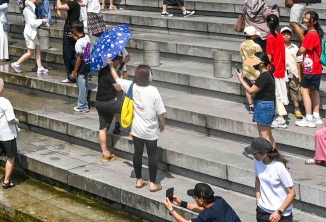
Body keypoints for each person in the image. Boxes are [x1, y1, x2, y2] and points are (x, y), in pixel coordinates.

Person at [112, 63, 166, 192]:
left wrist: (110, 66)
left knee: (138, 153)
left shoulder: (132, 86)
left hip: (136, 130)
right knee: (152, 156)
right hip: (150, 131)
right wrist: (162, 123)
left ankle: (139, 180)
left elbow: (117, 79)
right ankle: (153, 184)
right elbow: (161, 112)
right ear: (149, 76)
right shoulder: (153, 91)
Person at [243, 136, 296, 222]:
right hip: (262, 211)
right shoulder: (257, 161)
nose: (253, 156)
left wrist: (279, 211)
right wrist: (258, 199)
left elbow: (292, 193)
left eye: (254, 154)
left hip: (281, 213)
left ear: (264, 154)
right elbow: (258, 180)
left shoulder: (279, 167)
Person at [237, 53, 278, 149]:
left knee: (264, 136)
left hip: (263, 106)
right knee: (268, 135)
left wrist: (240, 79)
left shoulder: (264, 76)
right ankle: (273, 155)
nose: (253, 65)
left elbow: (251, 91)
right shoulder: (268, 74)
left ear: (262, 63)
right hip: (267, 105)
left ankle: (269, 158)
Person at [95, 54, 127, 163]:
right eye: (118, 60)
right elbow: (118, 88)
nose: (119, 62)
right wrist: (121, 79)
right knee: (130, 108)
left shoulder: (102, 70)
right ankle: (133, 132)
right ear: (113, 61)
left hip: (99, 102)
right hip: (109, 103)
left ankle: (105, 153)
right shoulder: (110, 72)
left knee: (103, 128)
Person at [163, 182, 241, 222]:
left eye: (194, 197)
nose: (194, 199)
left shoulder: (206, 215)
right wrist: (181, 203)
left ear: (201, 200)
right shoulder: (219, 200)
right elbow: (202, 208)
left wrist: (171, 210)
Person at [263, 13, 289, 128]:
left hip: (274, 69)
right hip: (281, 68)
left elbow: (269, 56)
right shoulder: (279, 35)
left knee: (277, 94)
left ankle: (281, 117)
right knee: (280, 92)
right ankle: (279, 116)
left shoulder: (269, 38)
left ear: (267, 24)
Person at [11, 0, 47, 75]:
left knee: (37, 48)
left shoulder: (29, 8)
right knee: (30, 52)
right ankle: (17, 64)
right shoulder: (28, 10)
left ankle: (40, 67)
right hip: (30, 33)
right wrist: (42, 20)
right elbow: (32, 23)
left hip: (32, 33)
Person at [56, 0, 82, 82]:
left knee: (69, 54)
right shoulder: (75, 2)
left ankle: (73, 75)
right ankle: (72, 75)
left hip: (70, 32)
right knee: (69, 54)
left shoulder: (73, 3)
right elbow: (63, 15)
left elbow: (59, 6)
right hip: (70, 29)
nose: (64, 0)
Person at [279, 28, 303, 121]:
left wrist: (299, 75)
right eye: (283, 33)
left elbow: (299, 61)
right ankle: (282, 109)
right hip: (282, 71)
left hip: (293, 71)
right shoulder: (278, 46)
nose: (286, 35)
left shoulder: (295, 47)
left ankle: (297, 108)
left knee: (295, 89)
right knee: (282, 90)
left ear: (291, 36)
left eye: (288, 34)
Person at [239, 25, 263, 113]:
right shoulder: (256, 46)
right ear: (253, 35)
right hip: (255, 70)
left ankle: (251, 106)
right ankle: (258, 104)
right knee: (257, 88)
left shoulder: (241, 45)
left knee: (248, 88)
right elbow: (259, 58)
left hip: (245, 69)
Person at [70, 21, 91, 113]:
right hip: (87, 64)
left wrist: (75, 71)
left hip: (81, 67)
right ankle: (84, 103)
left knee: (82, 86)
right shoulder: (86, 37)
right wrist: (75, 38)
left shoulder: (78, 43)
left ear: (75, 30)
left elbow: (79, 57)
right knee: (85, 85)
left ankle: (82, 106)